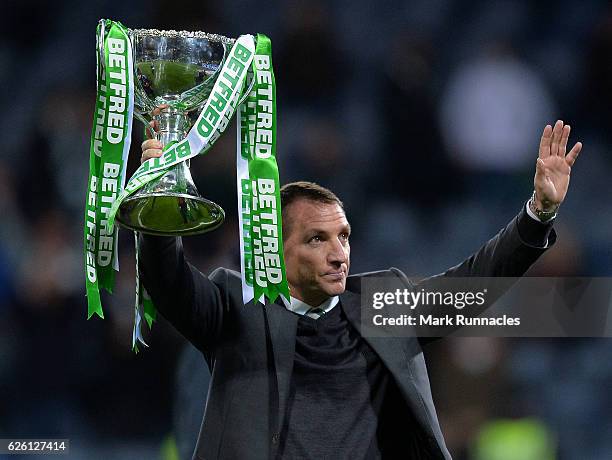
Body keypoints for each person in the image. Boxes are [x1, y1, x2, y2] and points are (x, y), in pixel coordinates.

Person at [139, 120, 582, 459]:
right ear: (274, 246)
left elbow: (476, 281)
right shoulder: (236, 308)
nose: (339, 254)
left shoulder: (381, 306)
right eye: (318, 239)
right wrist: (158, 200)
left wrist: (537, 215)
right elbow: (168, 282)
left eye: (344, 237)